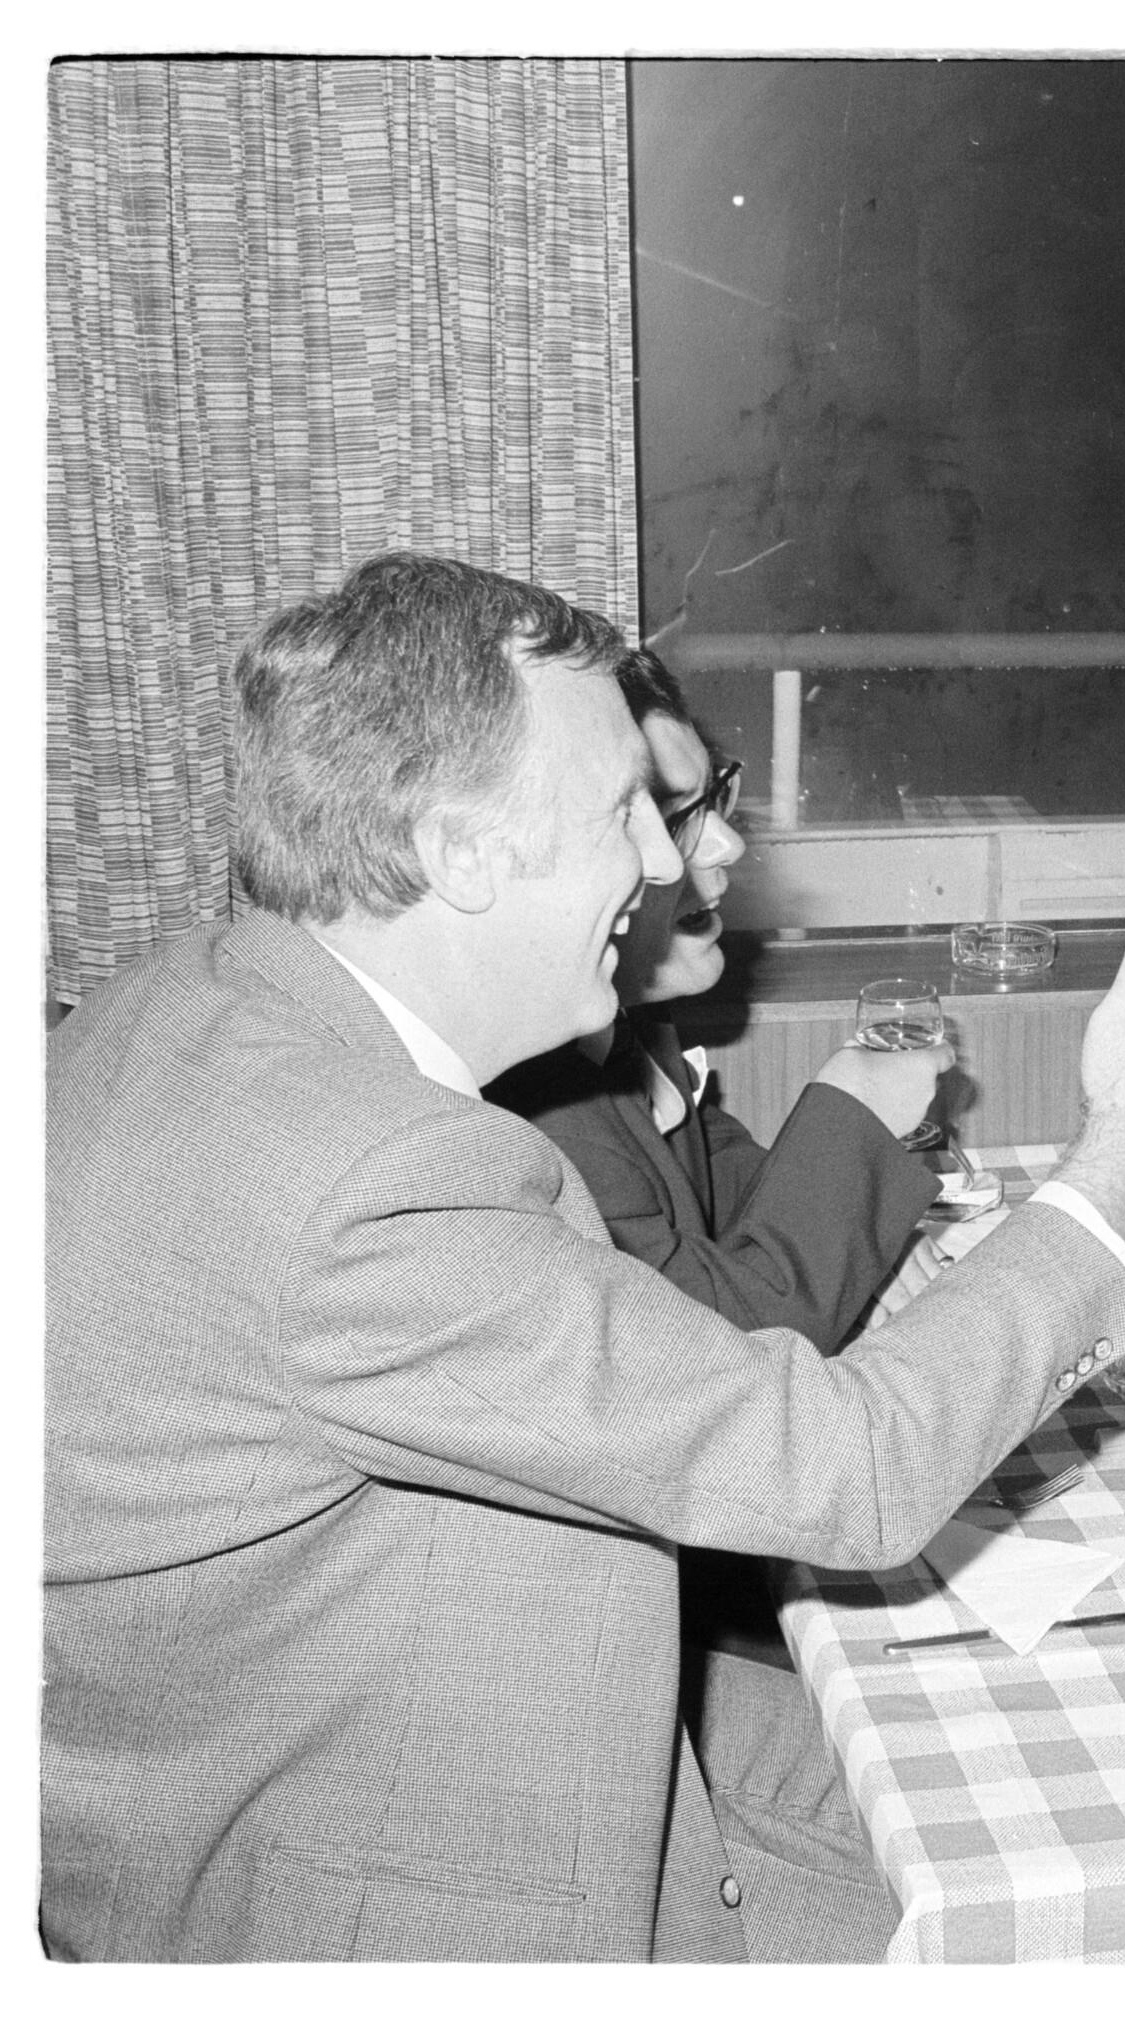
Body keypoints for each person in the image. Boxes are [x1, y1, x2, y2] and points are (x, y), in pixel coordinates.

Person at [44, 552, 1125, 1961]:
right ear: (462, 851)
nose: (662, 862)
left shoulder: (191, 999)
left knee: (1052, 1810)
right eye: (621, 811)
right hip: (372, 1874)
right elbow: (849, 1469)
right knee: (1107, 1932)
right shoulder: (370, 1190)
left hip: (465, 1690)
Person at [484, 646, 950, 1959]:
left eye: (709, 798)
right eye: (676, 816)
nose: (728, 847)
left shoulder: (622, 1046)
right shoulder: (530, 1107)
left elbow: (746, 1205)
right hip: (644, 1644)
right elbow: (725, 1341)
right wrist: (854, 1111)